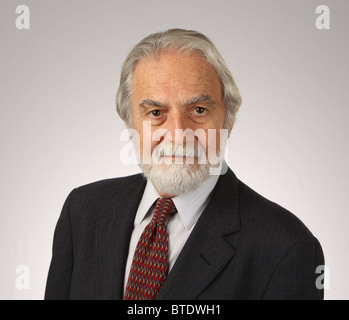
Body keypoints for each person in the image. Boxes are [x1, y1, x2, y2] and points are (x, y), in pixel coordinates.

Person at [45, 29, 324, 300]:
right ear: (130, 124)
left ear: (229, 119)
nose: (179, 134)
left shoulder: (287, 247)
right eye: (156, 112)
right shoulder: (82, 211)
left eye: (198, 110)